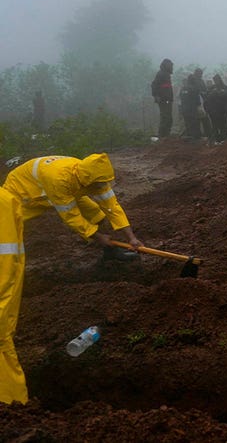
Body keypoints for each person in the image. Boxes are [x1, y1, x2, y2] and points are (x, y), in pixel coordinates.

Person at [1, 153, 144, 404]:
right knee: (14, 228)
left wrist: (130, 237)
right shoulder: (60, 181)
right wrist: (96, 236)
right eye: (98, 187)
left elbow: (111, 206)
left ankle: (112, 253)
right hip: (24, 193)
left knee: (94, 209)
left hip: (61, 189)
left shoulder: (94, 176)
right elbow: (71, 216)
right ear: (85, 181)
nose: (102, 189)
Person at [151, 58, 174, 138]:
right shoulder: (161, 74)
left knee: (168, 118)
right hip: (164, 100)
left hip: (167, 100)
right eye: (171, 65)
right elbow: (154, 85)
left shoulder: (166, 74)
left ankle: (166, 136)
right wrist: (156, 96)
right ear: (167, 65)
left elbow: (166, 87)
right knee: (165, 118)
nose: (172, 67)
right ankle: (162, 136)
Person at [204, 74, 227, 143]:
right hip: (213, 110)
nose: (216, 81)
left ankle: (224, 137)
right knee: (215, 125)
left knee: (223, 125)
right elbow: (207, 98)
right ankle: (217, 138)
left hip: (222, 110)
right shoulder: (212, 88)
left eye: (217, 80)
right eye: (215, 80)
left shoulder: (224, 87)